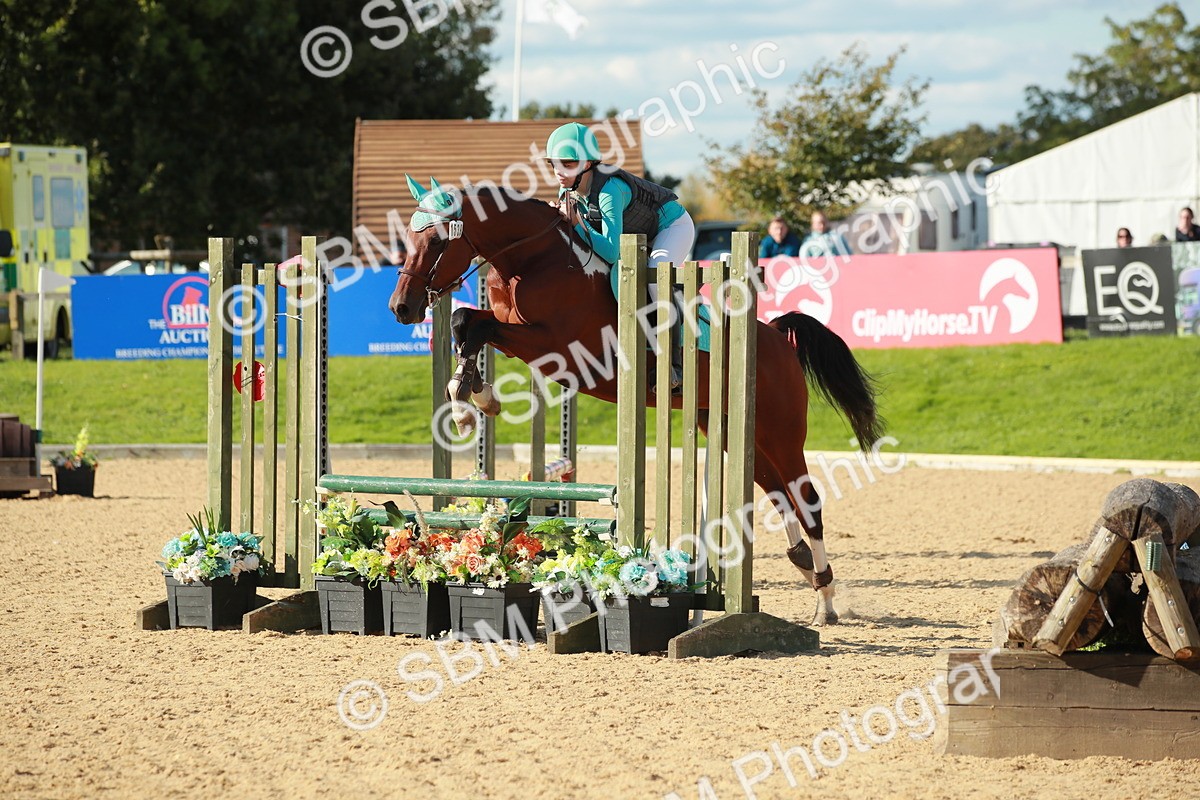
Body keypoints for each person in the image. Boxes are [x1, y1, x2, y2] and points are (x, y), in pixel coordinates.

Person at [544, 122, 692, 389]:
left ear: (588, 163)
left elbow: (612, 251)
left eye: (567, 163)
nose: (558, 172)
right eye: (554, 164)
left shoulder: (610, 190)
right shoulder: (567, 193)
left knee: (655, 272)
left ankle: (673, 365)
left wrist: (577, 223)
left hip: (672, 226)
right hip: (636, 237)